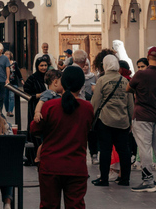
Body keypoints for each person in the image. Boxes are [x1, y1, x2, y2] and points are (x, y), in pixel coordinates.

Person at [30, 66, 94, 209]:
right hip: (76, 165)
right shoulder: (87, 108)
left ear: (62, 82)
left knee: (49, 205)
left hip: (51, 165)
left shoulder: (50, 106)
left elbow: (34, 129)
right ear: (82, 85)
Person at [127, 46, 156, 192]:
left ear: (147, 56)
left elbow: (128, 88)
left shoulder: (140, 74)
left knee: (145, 148)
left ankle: (148, 180)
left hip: (142, 115)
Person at [90, 54, 133, 187]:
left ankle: (104, 178)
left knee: (105, 150)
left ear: (105, 65)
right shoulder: (125, 81)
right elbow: (130, 104)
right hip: (123, 121)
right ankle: (125, 179)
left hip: (106, 121)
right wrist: (130, 121)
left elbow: (95, 102)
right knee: (124, 150)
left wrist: (91, 120)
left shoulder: (102, 81)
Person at [6, 51, 23, 117]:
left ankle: (10, 111)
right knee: (6, 97)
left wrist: (21, 79)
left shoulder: (14, 63)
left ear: (10, 55)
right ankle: (7, 110)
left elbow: (18, 71)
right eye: (6, 54)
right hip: (6, 82)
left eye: (8, 54)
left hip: (14, 82)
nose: (7, 55)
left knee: (12, 97)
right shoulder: (4, 63)